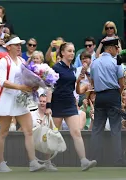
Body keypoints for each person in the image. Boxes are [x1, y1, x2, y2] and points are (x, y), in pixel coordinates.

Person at [0, 34, 45, 172]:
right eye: (16, 45)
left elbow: (26, 79)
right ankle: (0, 163)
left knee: (28, 131)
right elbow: (2, 82)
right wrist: (21, 88)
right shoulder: (3, 61)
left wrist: (33, 85)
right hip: (7, 99)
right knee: (3, 132)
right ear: (8, 47)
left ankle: (33, 162)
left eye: (19, 45)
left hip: (21, 100)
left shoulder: (22, 60)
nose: (19, 47)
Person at [45, 42, 97, 171]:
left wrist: (79, 82)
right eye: (69, 51)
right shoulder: (56, 68)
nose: (72, 53)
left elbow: (76, 90)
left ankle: (84, 161)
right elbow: (49, 88)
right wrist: (48, 106)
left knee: (76, 132)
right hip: (57, 105)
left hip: (70, 104)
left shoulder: (73, 68)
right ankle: (47, 162)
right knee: (52, 134)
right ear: (62, 53)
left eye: (73, 51)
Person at [90, 38, 125, 166]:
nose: (117, 51)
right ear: (111, 48)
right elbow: (122, 84)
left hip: (99, 97)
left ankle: (94, 159)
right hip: (113, 96)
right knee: (115, 129)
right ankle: (117, 160)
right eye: (116, 48)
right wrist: (117, 95)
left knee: (97, 129)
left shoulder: (94, 63)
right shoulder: (116, 62)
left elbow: (92, 82)